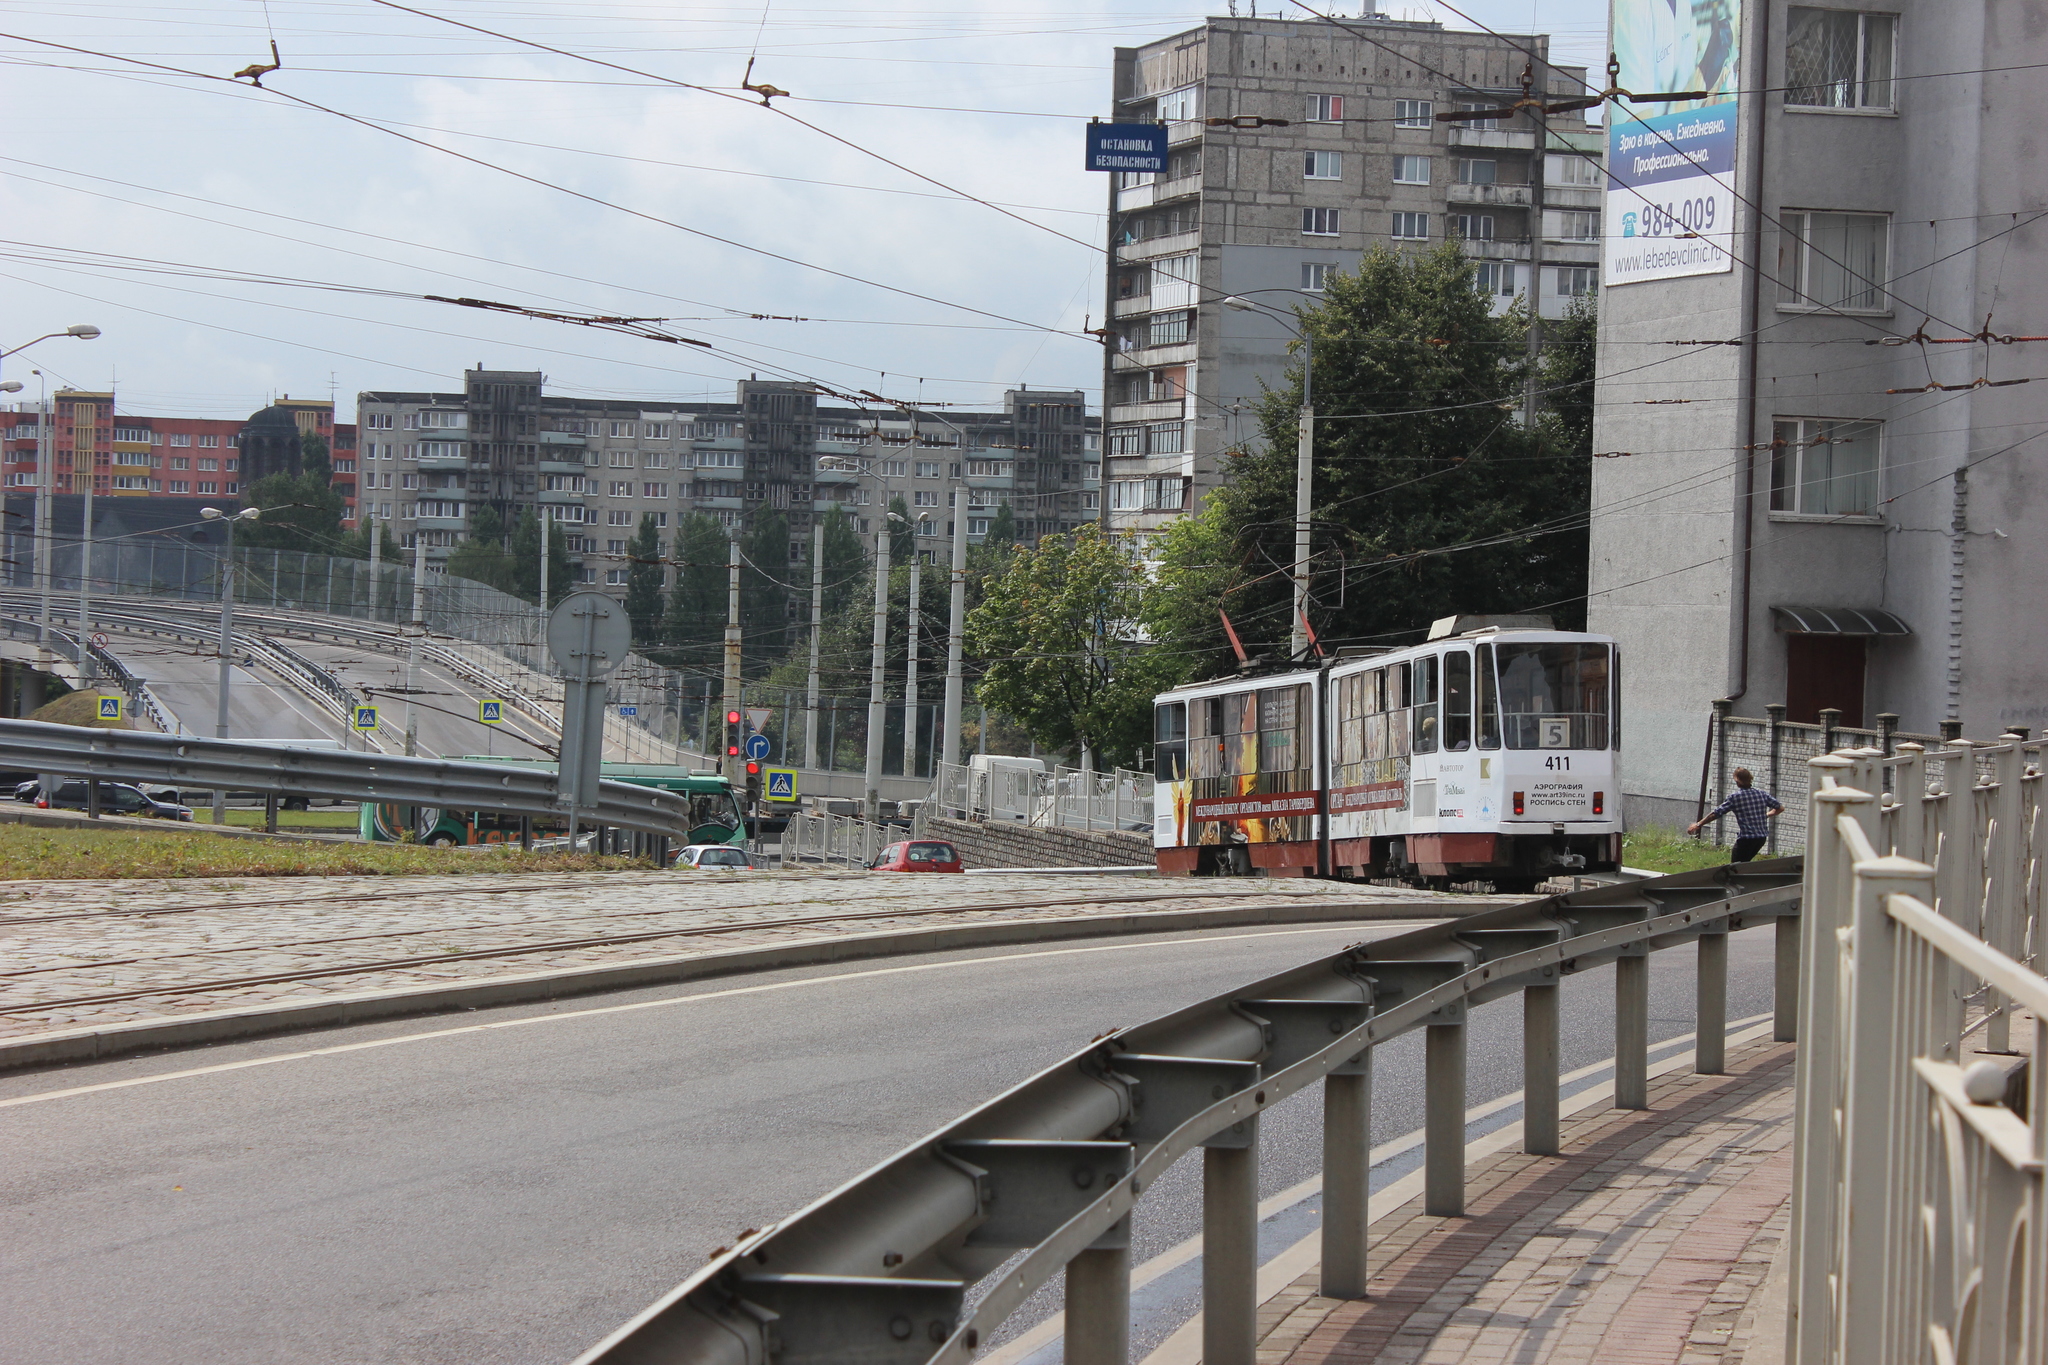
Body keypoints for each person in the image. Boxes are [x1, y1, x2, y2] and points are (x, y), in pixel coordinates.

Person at [1689, 768, 1784, 862]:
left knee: (1735, 867)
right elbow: (1780, 808)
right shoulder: (1761, 794)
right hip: (1761, 839)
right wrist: (1766, 815)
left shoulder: (1735, 797)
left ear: (1738, 781)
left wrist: (1698, 824)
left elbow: (1716, 813)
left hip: (1746, 839)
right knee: (1745, 863)